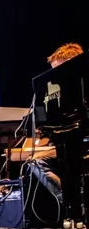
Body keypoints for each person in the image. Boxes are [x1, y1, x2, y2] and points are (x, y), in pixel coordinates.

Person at [28, 43, 84, 205]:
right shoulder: (59, 95)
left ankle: (72, 203)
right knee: (36, 160)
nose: (55, 78)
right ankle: (71, 203)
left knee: (38, 160)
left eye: (58, 72)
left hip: (80, 140)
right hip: (70, 141)